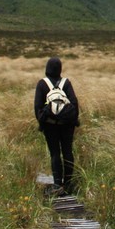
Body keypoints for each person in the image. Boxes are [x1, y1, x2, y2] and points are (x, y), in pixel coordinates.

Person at [34, 56, 80, 195]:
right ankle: (69, 183)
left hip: (50, 125)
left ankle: (57, 183)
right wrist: (73, 121)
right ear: (60, 68)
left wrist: (42, 123)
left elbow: (37, 108)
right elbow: (74, 104)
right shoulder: (66, 83)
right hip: (67, 125)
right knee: (67, 151)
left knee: (55, 153)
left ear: (47, 68)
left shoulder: (42, 84)